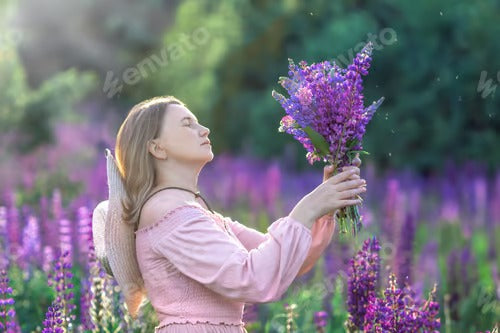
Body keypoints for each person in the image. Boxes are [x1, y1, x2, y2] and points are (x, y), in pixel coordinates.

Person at [103, 95, 366, 332]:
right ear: (157, 148)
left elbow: (284, 261)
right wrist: (308, 208)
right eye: (187, 124)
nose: (204, 129)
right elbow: (254, 279)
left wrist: (325, 206)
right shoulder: (168, 212)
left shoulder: (196, 212)